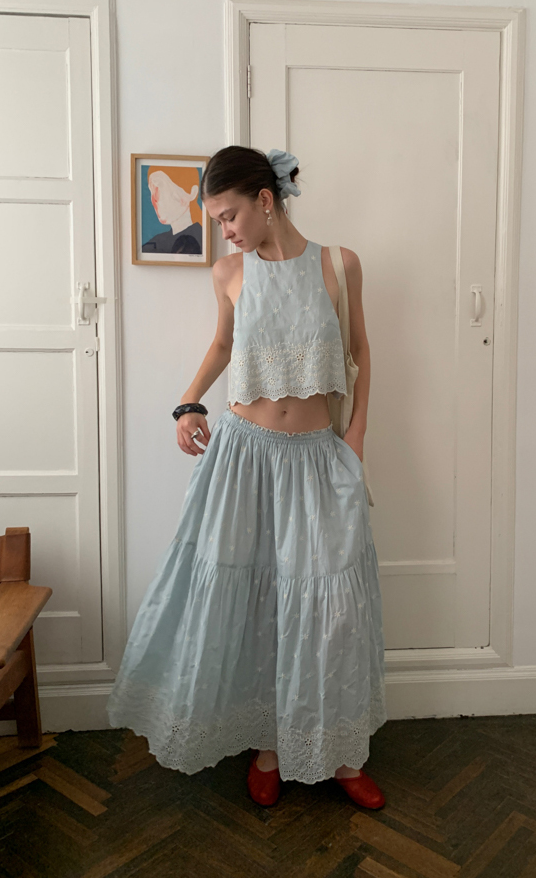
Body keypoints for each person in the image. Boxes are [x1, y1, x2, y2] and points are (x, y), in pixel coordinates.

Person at [106, 145, 387, 809]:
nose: (224, 231)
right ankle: (268, 746)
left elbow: (359, 351)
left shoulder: (339, 265)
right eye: (215, 221)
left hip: (317, 457)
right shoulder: (229, 271)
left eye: (229, 216)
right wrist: (187, 402)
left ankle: (340, 753)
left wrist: (355, 437)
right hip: (243, 459)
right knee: (259, 606)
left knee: (331, 610)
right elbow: (223, 345)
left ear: (265, 200)